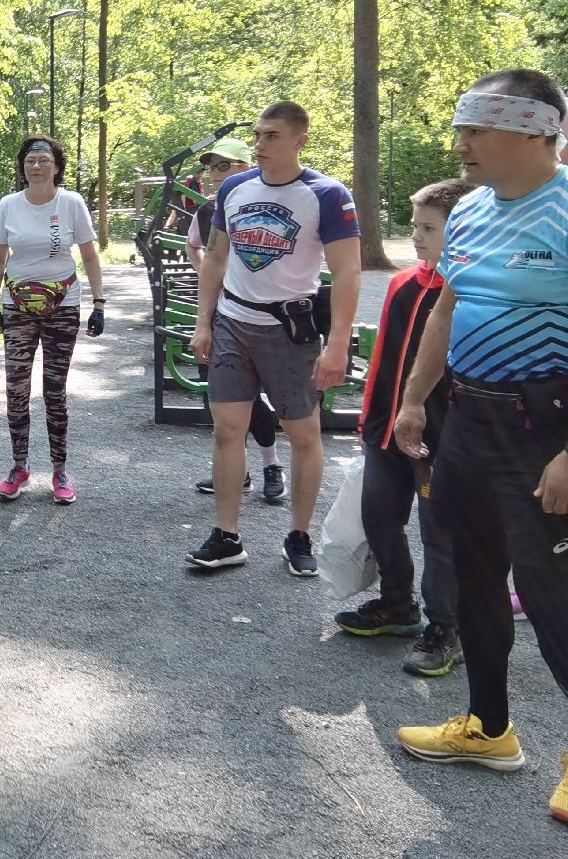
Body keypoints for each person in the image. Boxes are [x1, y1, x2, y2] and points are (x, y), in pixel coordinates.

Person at [391, 70, 568, 824]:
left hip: (548, 430)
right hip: (470, 420)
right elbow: (446, 309)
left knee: (555, 596)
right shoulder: (467, 215)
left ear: (533, 130)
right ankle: (490, 729)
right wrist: (413, 400)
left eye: (476, 128)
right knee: (472, 579)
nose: (460, 143)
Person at [186, 100, 362, 575]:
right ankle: (228, 536)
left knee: (303, 433)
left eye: (271, 136)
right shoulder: (235, 189)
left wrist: (338, 344)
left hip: (290, 330)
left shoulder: (327, 195)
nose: (260, 145)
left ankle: (298, 535)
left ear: (299, 140)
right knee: (227, 429)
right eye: (259, 136)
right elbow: (217, 260)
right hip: (231, 323)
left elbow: (347, 271)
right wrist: (204, 322)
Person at [333, 178, 474, 676]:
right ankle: (398, 605)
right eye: (414, 226)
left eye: (429, 228)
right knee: (379, 517)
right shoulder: (403, 283)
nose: (417, 236)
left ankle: (447, 629)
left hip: (440, 441)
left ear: (462, 230)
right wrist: (370, 419)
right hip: (385, 430)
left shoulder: (475, 292)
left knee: (441, 537)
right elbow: (383, 362)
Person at [0, 135, 106, 504]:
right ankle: (19, 465)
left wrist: (99, 304)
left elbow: (88, 255)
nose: (35, 166)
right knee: (16, 391)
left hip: (62, 306)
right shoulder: (9, 205)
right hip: (18, 307)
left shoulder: (71, 203)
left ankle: (59, 470)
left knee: (54, 392)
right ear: (22, 168)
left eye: (43, 160)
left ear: (56, 166)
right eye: (29, 161)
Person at [185, 136, 286, 503]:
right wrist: (207, 276)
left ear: (250, 166)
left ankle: (271, 464)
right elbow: (195, 246)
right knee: (225, 394)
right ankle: (236, 471)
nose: (216, 174)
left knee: (261, 395)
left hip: (265, 316)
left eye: (225, 166)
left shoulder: (275, 203)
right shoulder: (207, 211)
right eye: (213, 167)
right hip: (221, 310)